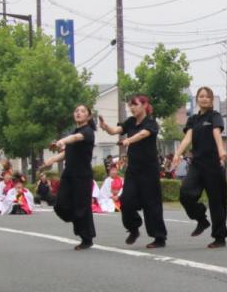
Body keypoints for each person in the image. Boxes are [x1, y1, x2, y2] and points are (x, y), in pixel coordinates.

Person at [100, 95, 168, 249]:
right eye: (130, 105)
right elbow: (115, 130)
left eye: (135, 105)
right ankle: (133, 228)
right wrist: (106, 127)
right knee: (126, 200)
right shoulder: (130, 122)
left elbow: (143, 134)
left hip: (149, 170)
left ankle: (159, 237)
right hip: (133, 170)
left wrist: (128, 140)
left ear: (144, 105)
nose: (132, 108)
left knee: (152, 204)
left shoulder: (151, 123)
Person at [170, 87, 227, 248]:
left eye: (207, 96)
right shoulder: (193, 119)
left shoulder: (215, 116)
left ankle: (219, 237)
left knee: (217, 202)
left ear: (211, 100)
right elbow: (187, 138)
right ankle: (201, 219)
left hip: (214, 164)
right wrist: (177, 154)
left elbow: (217, 133)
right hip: (197, 164)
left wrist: (221, 150)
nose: (204, 99)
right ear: (197, 99)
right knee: (185, 193)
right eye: (201, 96)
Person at [42, 104, 97, 250]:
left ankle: (87, 238)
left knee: (82, 207)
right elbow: (67, 153)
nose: (78, 113)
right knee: (60, 205)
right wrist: (51, 160)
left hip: (82, 175)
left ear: (88, 116)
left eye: (82, 111)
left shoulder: (87, 132)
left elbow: (75, 138)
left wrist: (62, 141)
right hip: (69, 173)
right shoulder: (73, 131)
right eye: (76, 111)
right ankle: (77, 219)